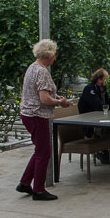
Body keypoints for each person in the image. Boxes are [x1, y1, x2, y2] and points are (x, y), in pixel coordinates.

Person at [17, 39, 70, 201]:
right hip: (37, 115)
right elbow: (44, 99)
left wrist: (55, 97)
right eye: (54, 53)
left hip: (28, 113)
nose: (55, 57)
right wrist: (60, 102)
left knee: (39, 150)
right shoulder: (42, 71)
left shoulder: (32, 68)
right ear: (49, 55)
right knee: (44, 152)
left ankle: (25, 183)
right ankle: (39, 190)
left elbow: (42, 94)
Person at [77, 68, 110, 165]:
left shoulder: (107, 90)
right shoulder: (89, 89)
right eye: (106, 78)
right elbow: (99, 107)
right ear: (99, 79)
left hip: (104, 120)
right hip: (90, 124)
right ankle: (102, 150)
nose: (109, 80)